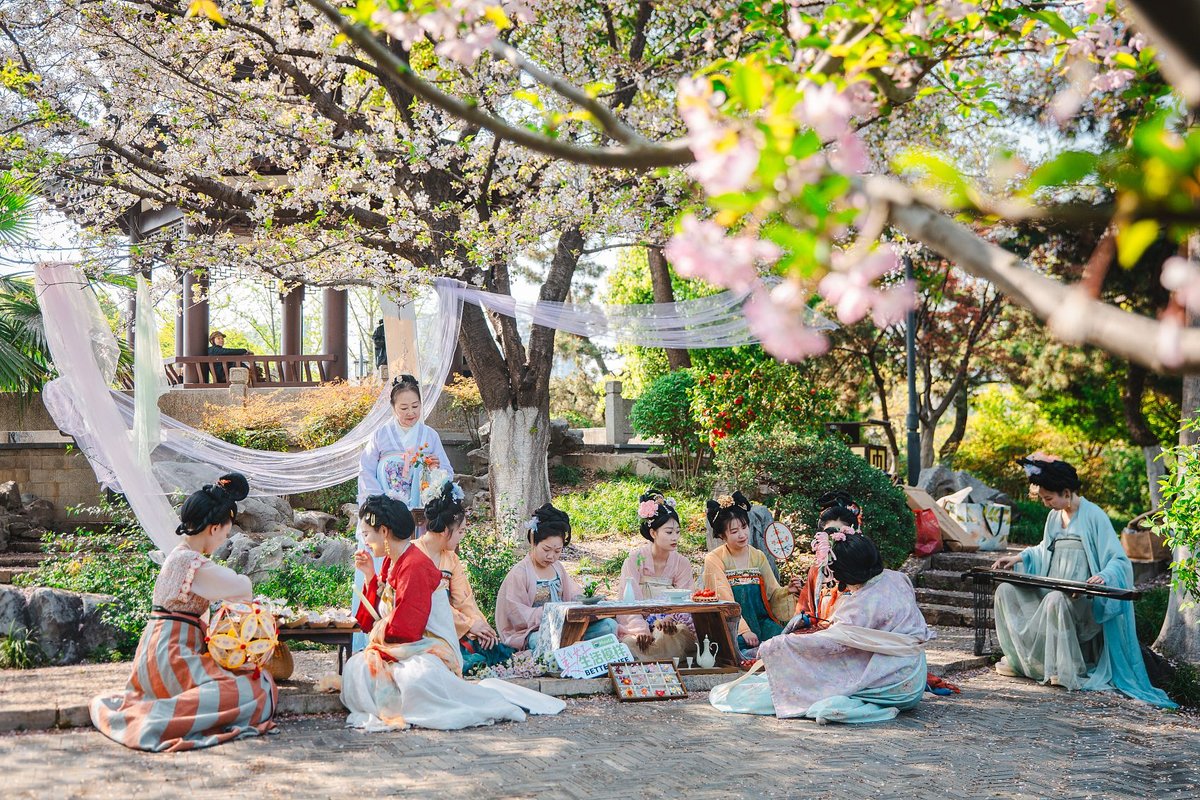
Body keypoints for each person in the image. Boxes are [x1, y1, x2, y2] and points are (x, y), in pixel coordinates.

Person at [90, 473, 277, 752]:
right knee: (256, 688)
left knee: (253, 682)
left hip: (163, 649)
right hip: (172, 654)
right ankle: (154, 718)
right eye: (226, 532)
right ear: (214, 529)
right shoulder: (191, 563)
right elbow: (242, 588)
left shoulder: (180, 556)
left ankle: (161, 711)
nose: (225, 539)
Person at [341, 495, 553, 730]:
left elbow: (407, 628)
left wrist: (476, 625)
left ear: (383, 531)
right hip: (412, 646)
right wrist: (370, 575)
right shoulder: (395, 561)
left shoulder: (415, 565)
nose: (365, 541)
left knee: (411, 680)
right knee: (358, 668)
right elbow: (376, 617)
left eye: (367, 534)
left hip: (433, 647)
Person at [990, 456, 1175, 708]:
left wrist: (1104, 576)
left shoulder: (1094, 516)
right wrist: (1019, 557)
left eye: (1048, 498)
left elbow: (1118, 560)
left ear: (1066, 492)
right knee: (1005, 591)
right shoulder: (1054, 518)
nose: (1046, 504)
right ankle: (1024, 660)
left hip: (1083, 601)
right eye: (1043, 499)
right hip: (1052, 590)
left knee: (1056, 599)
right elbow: (1045, 549)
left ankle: (1064, 668)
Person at [711, 531, 932, 724]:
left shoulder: (860, 605)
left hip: (892, 683)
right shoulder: (898, 579)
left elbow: (829, 643)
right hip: (915, 673)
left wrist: (779, 644)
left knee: (816, 679)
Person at [353, 374, 450, 649]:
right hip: (387, 515)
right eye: (404, 408)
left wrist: (432, 470)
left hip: (417, 516)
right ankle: (370, 633)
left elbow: (445, 473)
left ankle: (418, 629)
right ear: (393, 408)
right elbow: (366, 472)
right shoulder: (381, 435)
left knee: (412, 570)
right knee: (380, 565)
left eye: (416, 406)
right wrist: (382, 505)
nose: (411, 413)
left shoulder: (429, 436)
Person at [414, 480, 513, 672]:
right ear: (444, 531)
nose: (462, 537)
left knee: (493, 650)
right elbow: (431, 606)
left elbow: (464, 599)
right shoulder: (413, 555)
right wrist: (468, 625)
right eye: (460, 531)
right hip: (424, 626)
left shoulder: (451, 558)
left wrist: (480, 625)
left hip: (452, 624)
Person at [495, 503, 618, 653]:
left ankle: (577, 655)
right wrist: (551, 613)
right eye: (546, 549)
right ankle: (570, 654)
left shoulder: (557, 568)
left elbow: (574, 594)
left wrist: (590, 600)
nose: (551, 556)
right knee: (542, 639)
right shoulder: (520, 573)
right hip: (535, 631)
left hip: (565, 626)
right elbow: (517, 614)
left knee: (609, 626)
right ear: (534, 542)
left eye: (557, 551)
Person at [702, 491, 796, 654]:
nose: (742, 534)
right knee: (737, 647)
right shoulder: (714, 559)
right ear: (722, 535)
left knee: (787, 641)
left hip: (761, 622)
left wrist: (789, 591)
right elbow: (725, 600)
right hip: (732, 626)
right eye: (734, 531)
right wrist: (744, 630)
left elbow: (772, 594)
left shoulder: (757, 556)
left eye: (744, 527)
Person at [617, 491, 697, 661]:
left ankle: (658, 657)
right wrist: (640, 630)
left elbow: (686, 599)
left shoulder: (681, 562)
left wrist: (670, 618)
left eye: (677, 532)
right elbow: (628, 601)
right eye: (669, 532)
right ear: (653, 533)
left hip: (670, 625)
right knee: (631, 643)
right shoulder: (634, 559)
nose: (675, 537)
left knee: (669, 636)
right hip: (641, 623)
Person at [792, 492, 862, 623]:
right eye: (829, 534)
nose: (833, 540)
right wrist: (805, 620)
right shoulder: (817, 569)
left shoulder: (865, 566)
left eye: (839, 534)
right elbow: (807, 610)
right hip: (822, 637)